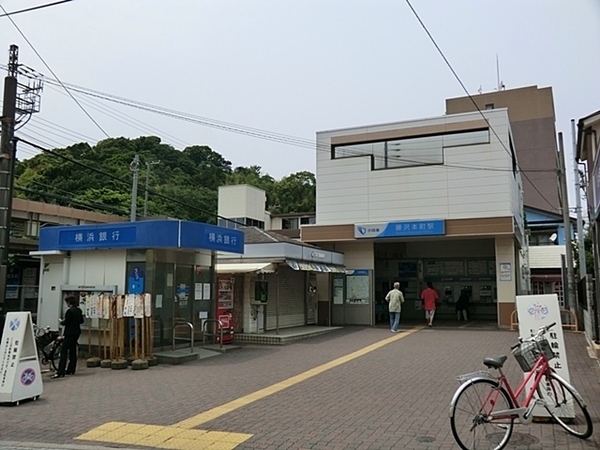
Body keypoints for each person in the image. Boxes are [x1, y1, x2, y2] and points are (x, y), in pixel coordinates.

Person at [52, 295, 84, 379]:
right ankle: (71, 369)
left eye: (67, 302)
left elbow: (66, 322)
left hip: (69, 333)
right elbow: (81, 320)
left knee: (64, 351)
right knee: (72, 351)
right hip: (77, 332)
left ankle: (61, 371)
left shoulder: (69, 311)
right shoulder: (78, 310)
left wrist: (62, 322)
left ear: (69, 302)